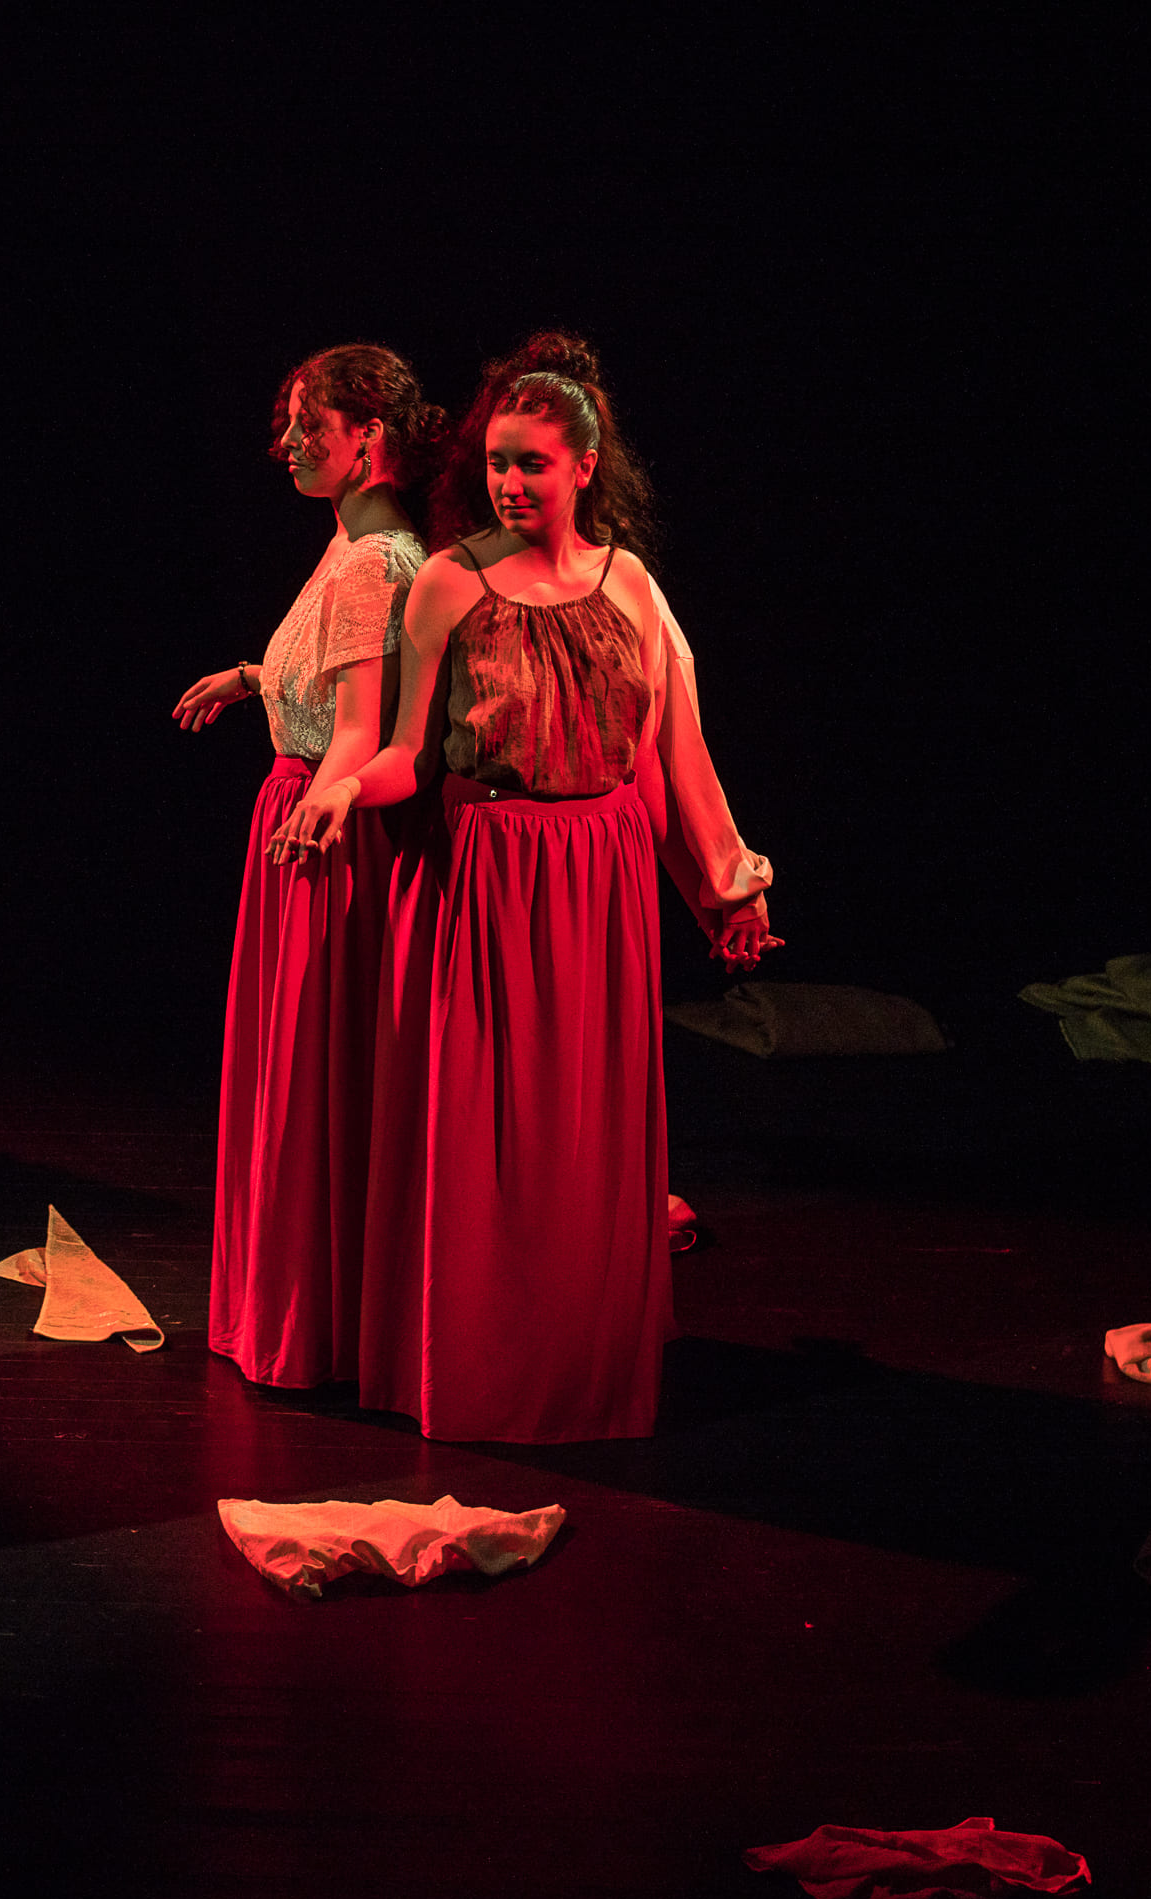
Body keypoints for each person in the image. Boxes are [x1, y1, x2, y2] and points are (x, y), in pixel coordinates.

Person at [278, 330, 775, 1443]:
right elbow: (409, 753)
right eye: (498, 461)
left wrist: (724, 889)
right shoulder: (448, 582)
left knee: (585, 1142)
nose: (510, 481)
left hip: (601, 877)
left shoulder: (629, 585)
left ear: (586, 467)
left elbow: (670, 755)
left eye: (533, 463)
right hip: (492, 876)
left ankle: (581, 1364)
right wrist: (344, 788)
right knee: (491, 1142)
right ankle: (483, 1364)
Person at [174, 344, 443, 1390]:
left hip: (328, 828)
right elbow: (331, 677)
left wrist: (313, 824)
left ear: (367, 437)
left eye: (308, 426)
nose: (286, 444)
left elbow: (361, 729)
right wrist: (254, 677)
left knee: (310, 1087)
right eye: (288, 423)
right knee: (306, 1085)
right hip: (313, 809)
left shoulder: (375, 559)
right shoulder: (354, 545)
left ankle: (309, 1324)